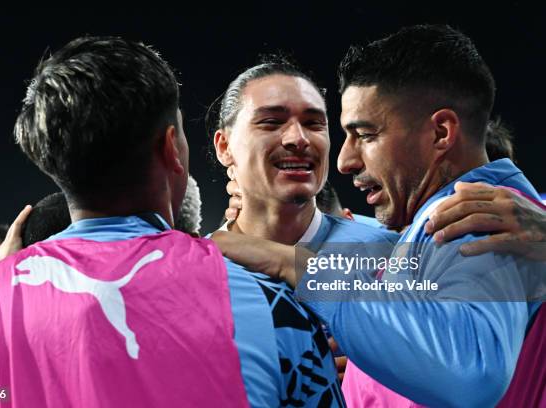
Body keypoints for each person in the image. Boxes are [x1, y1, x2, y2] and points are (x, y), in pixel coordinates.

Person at [0, 37, 341, 408]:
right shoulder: (272, 306)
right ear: (177, 148)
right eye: (271, 122)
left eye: (314, 122)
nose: (297, 139)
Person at [213, 25, 544, 407]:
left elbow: (471, 370)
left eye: (366, 135)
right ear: (225, 147)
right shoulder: (427, 230)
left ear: (441, 133)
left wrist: (295, 265)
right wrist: (361, 356)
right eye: (270, 122)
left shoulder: (475, 216)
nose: (345, 160)